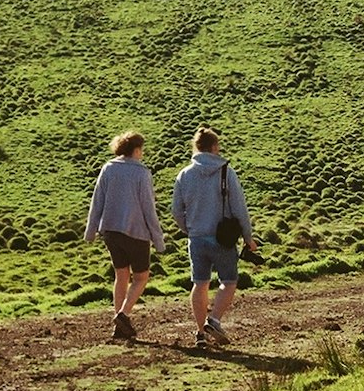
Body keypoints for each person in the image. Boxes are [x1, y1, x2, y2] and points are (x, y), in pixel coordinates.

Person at [171, 125, 260, 348]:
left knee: (200, 284)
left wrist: (189, 229)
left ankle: (201, 333)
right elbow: (239, 208)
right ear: (214, 147)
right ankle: (215, 319)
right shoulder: (226, 171)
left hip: (196, 238)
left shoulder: (184, 174)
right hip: (223, 238)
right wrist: (248, 238)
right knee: (229, 282)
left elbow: (175, 211)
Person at [84, 131, 166, 341]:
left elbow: (97, 201)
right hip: (136, 232)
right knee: (141, 277)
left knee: (121, 275)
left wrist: (91, 230)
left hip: (111, 231)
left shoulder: (108, 168)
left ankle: (119, 326)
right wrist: (158, 239)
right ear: (136, 150)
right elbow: (149, 209)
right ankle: (123, 314)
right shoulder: (142, 173)